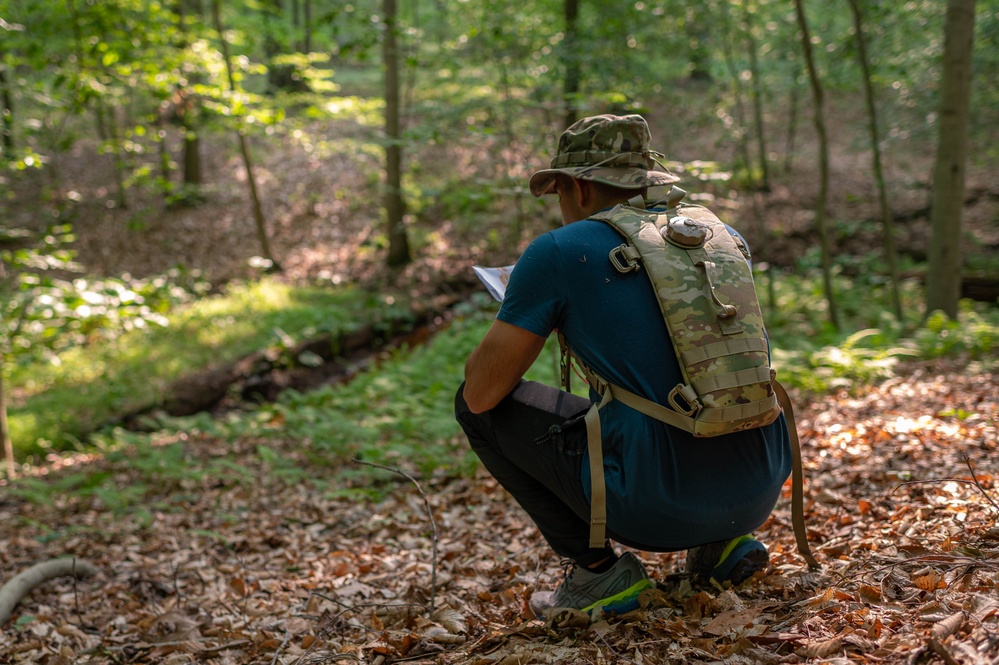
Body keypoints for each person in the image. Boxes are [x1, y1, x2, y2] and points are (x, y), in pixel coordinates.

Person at [454, 114, 791, 617]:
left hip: (654, 507)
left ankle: (598, 575)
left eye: (560, 192)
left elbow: (483, 392)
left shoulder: (558, 252)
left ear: (579, 188)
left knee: (472, 406)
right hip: (760, 486)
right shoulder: (717, 236)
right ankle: (721, 545)